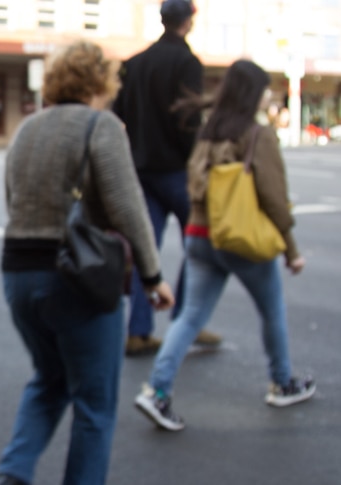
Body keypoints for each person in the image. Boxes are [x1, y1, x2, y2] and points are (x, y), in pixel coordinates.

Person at [0, 41, 174, 485]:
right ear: (101, 82)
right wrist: (152, 276)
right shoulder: (102, 126)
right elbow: (128, 207)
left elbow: (16, 200)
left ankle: (12, 475)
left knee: (50, 379)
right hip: (75, 277)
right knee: (95, 404)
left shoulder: (26, 130)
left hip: (18, 275)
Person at [134, 60, 315, 432]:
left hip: (200, 236)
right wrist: (291, 250)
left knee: (190, 317)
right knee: (271, 310)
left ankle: (158, 392)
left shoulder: (207, 133)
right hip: (240, 239)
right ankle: (282, 382)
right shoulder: (257, 136)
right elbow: (274, 199)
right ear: (253, 94)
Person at [112, 0, 221, 356]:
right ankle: (187, 320)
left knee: (148, 248)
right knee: (199, 246)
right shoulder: (186, 63)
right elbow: (188, 120)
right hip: (177, 169)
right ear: (188, 21)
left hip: (142, 168)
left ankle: (138, 330)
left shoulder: (135, 63)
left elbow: (119, 112)